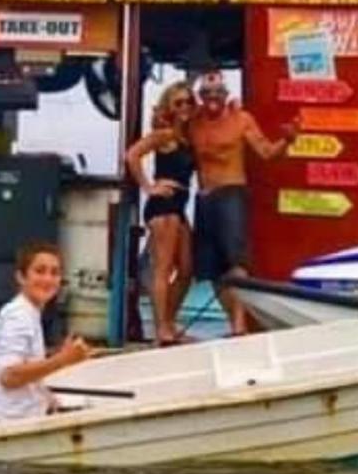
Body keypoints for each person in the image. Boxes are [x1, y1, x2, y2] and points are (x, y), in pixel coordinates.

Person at [188, 71, 297, 336]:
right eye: (207, 94)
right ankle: (232, 324)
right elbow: (168, 133)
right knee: (211, 270)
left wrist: (288, 139)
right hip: (204, 198)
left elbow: (266, 152)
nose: (213, 98)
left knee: (237, 265)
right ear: (200, 97)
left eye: (218, 93)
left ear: (226, 95)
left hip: (231, 193)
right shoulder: (193, 122)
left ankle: (239, 326)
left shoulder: (241, 119)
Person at [0, 241, 91, 427]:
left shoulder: (28, 313)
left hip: (18, 422)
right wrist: (62, 359)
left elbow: (22, 368)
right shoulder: (18, 316)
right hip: (8, 427)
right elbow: (9, 376)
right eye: (40, 271)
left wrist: (44, 395)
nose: (47, 279)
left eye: (54, 273)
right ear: (21, 277)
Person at [125, 81, 196, 347]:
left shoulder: (185, 136)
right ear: (169, 106)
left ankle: (169, 322)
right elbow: (132, 155)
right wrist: (148, 187)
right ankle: (162, 330)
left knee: (188, 269)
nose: (185, 107)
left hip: (179, 207)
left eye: (188, 101)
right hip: (163, 207)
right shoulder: (164, 135)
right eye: (178, 102)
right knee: (163, 269)